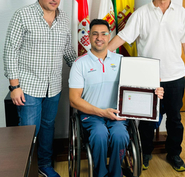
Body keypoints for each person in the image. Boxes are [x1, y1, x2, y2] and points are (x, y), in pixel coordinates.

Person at [108, 0, 185, 172]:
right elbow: (122, 37)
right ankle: (145, 152)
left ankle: (174, 153)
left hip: (175, 77)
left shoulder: (182, 14)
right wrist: (101, 54)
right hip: (147, 78)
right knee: (147, 121)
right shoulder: (141, 13)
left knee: (175, 119)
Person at [69, 19, 164, 177]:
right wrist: (101, 112)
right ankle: (101, 173)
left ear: (109, 36)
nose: (99, 38)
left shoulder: (121, 60)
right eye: (95, 34)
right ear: (89, 36)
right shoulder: (80, 64)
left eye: (104, 34)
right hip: (91, 115)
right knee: (99, 135)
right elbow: (74, 99)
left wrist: (155, 92)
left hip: (118, 114)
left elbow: (140, 85)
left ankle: (115, 173)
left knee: (120, 136)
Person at [3, 0, 76, 177]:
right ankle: (26, 170)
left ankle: (44, 165)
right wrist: (14, 86)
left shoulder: (64, 18)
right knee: (28, 131)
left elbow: (67, 50)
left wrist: (85, 69)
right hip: (28, 87)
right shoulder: (23, 15)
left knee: (47, 128)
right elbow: (10, 51)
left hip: (53, 87)